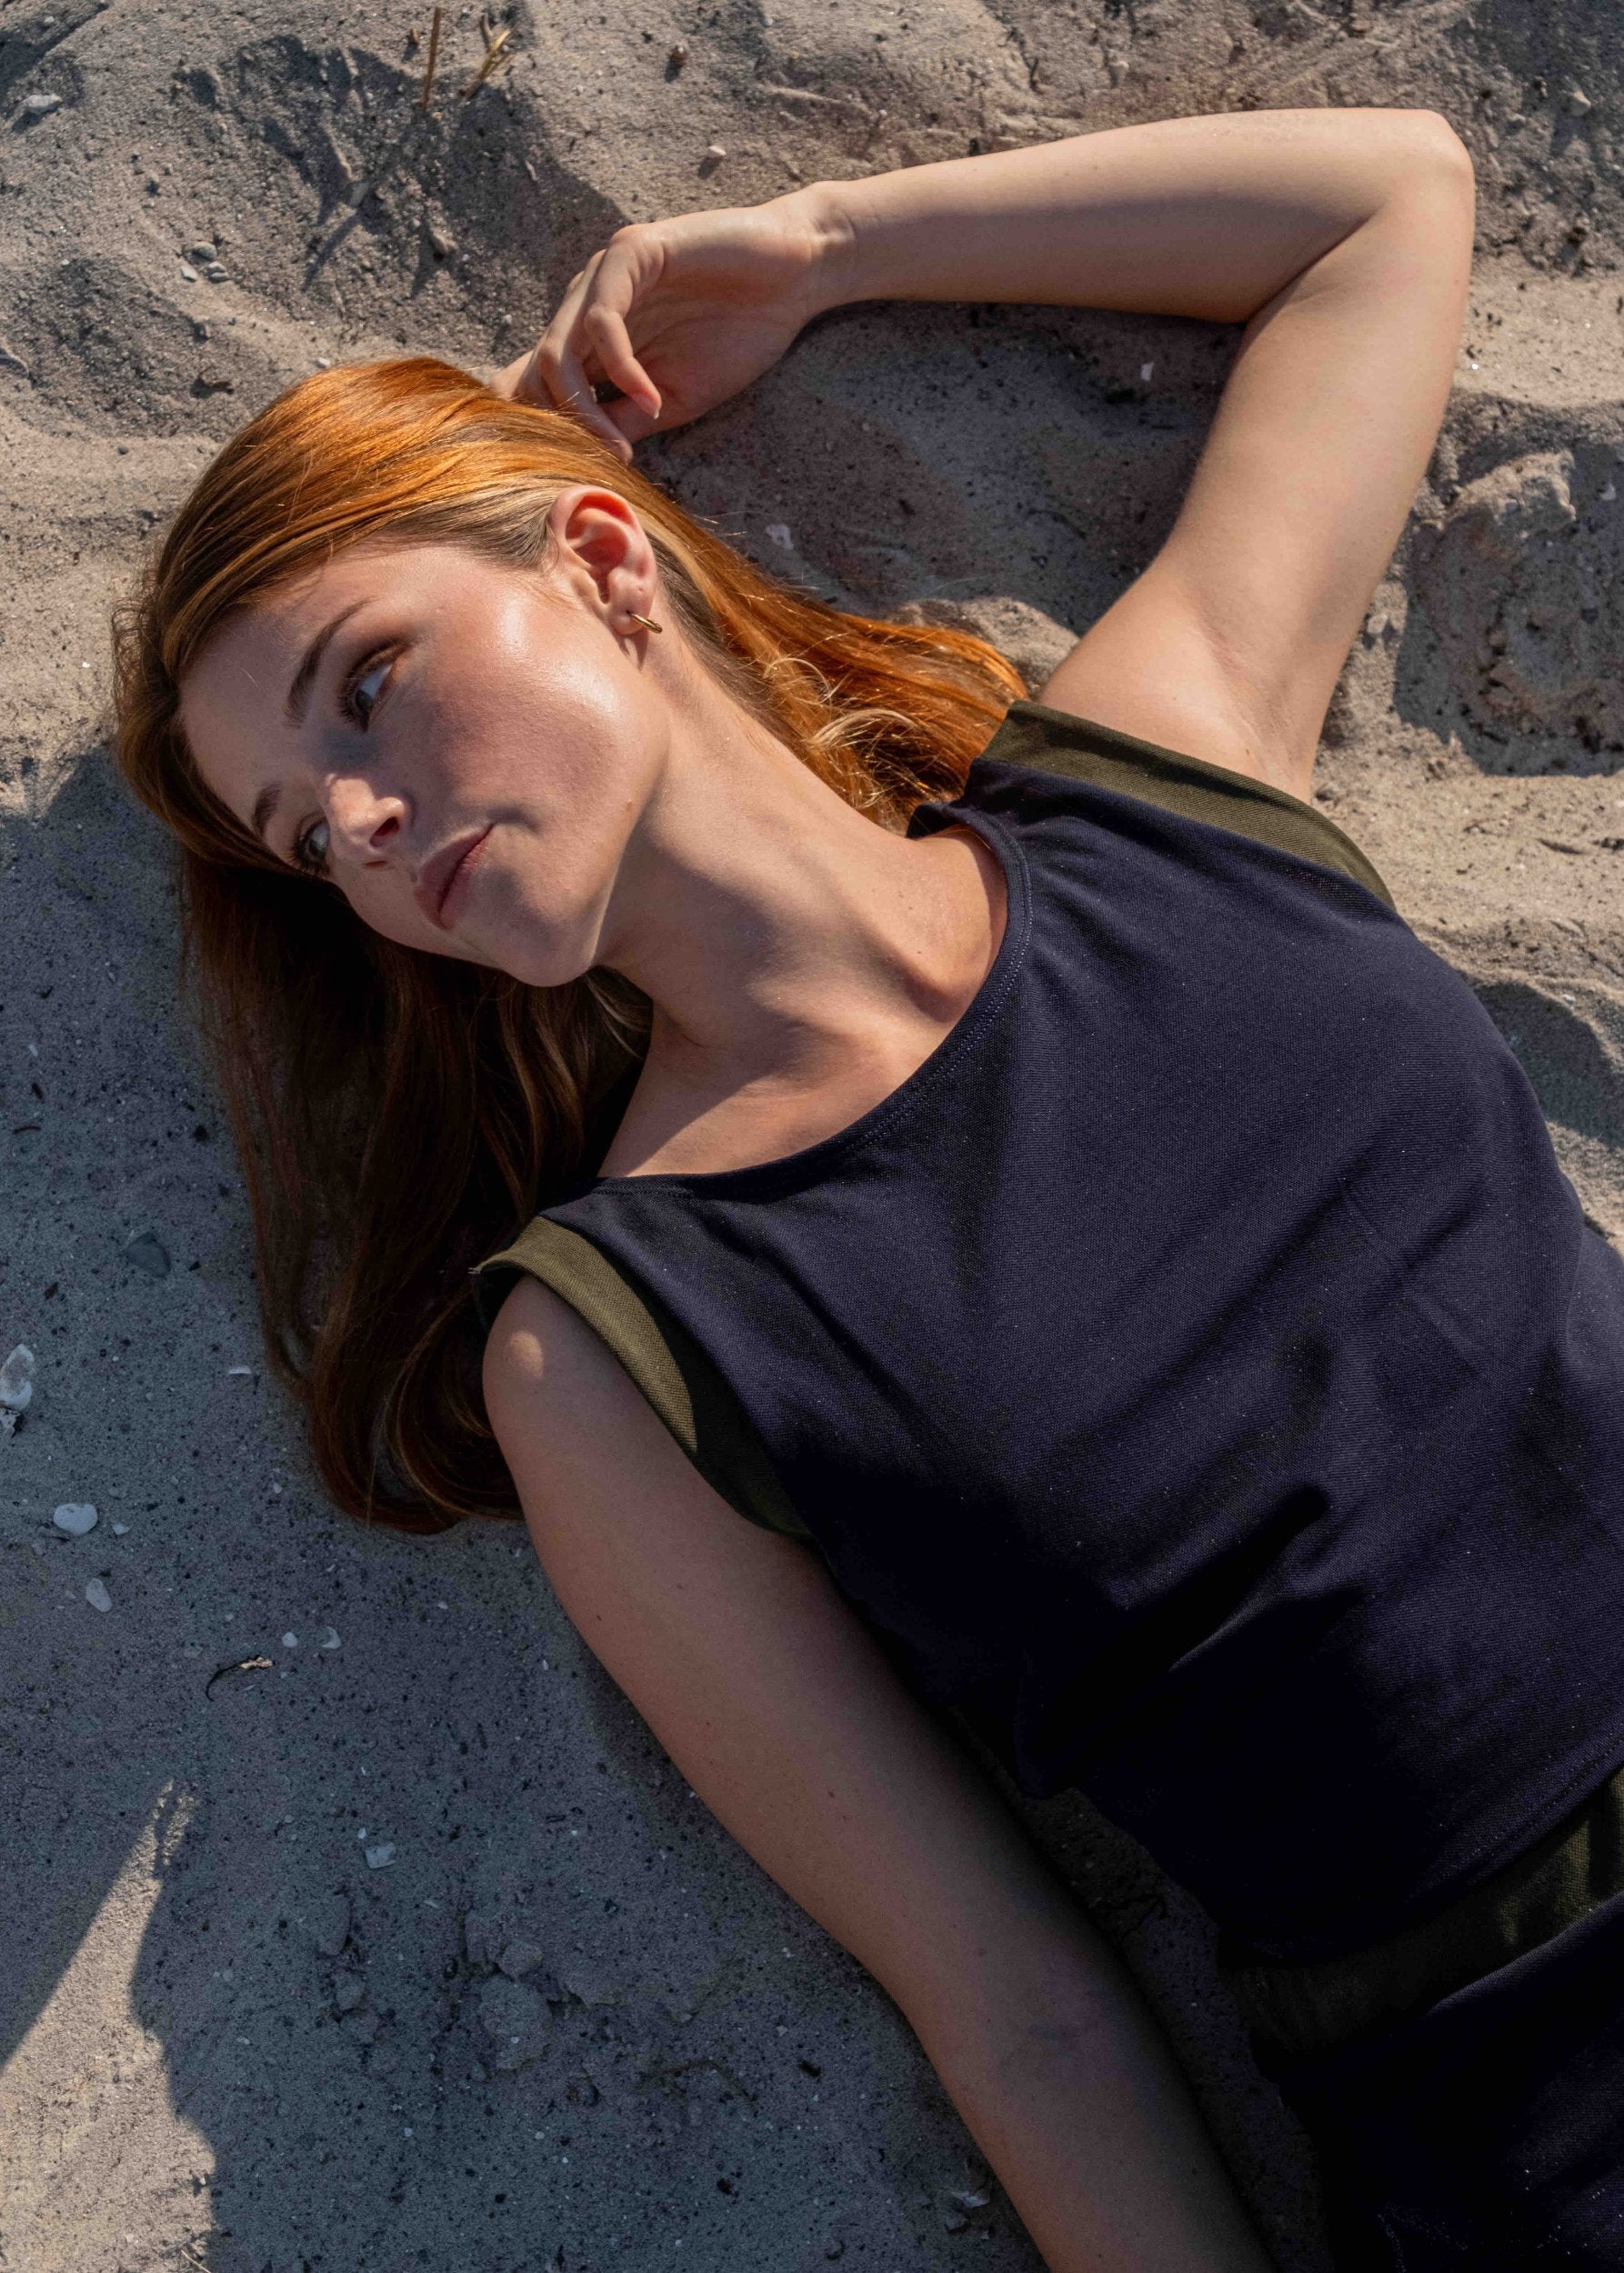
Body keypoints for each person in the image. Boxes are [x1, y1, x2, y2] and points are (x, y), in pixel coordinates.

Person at [111, 107, 1624, 2270]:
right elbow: (1014, 2009)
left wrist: (821, 246)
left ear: (603, 563)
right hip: (1535, 2097)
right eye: (301, 827)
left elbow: (1389, 199)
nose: (358, 819)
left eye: (372, 684)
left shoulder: (1158, 775)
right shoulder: (616, 1346)